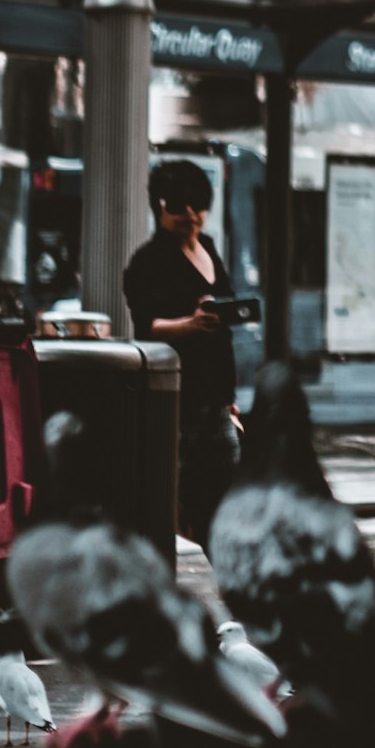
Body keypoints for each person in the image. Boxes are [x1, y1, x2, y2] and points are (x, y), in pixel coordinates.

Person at [123, 157, 242, 542]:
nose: (189, 214)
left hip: (217, 400)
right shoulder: (148, 262)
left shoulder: (208, 248)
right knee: (196, 497)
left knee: (228, 492)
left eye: (197, 204)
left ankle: (231, 566)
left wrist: (230, 398)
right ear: (159, 207)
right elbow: (147, 326)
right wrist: (191, 324)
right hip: (179, 401)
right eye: (177, 205)